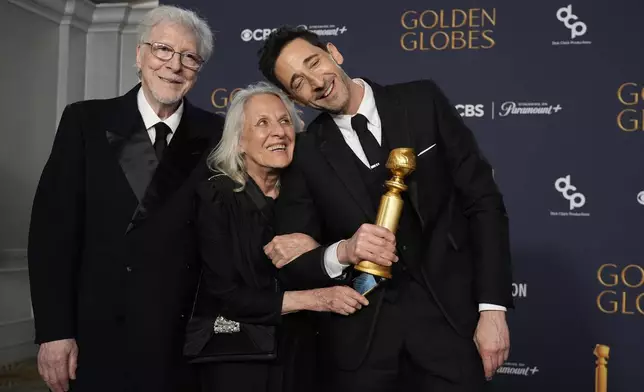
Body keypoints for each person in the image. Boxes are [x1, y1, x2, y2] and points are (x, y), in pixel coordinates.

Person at [258, 26, 514, 391]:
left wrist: (492, 310)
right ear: (293, 97)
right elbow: (297, 262)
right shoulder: (307, 153)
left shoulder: (422, 101)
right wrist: (342, 251)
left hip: (451, 329)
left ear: (334, 52)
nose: (316, 82)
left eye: (314, 63)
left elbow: (484, 203)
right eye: (298, 82)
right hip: (361, 351)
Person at [27, 6, 223, 392]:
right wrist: (54, 332)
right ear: (140, 55)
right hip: (100, 333)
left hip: (183, 337)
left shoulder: (217, 132)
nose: (174, 65)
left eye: (189, 57)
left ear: (199, 70)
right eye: (163, 50)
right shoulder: (87, 122)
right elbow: (53, 235)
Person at [186, 81, 369, 392]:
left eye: (285, 120)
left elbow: (350, 263)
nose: (278, 131)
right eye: (262, 123)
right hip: (239, 363)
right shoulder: (215, 197)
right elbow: (225, 295)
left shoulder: (313, 194)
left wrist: (317, 249)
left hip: (308, 358)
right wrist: (316, 300)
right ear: (239, 141)